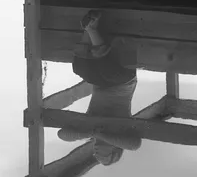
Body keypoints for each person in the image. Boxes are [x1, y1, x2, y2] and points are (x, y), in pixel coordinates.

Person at [57, 10, 141, 167]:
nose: (96, 151)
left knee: (80, 69)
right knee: (107, 70)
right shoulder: (122, 132)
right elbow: (134, 145)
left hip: (101, 83)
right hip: (124, 81)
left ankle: (88, 28)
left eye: (96, 153)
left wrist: (92, 133)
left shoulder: (90, 129)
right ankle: (91, 30)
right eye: (102, 153)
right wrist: (102, 134)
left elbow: (62, 135)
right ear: (115, 149)